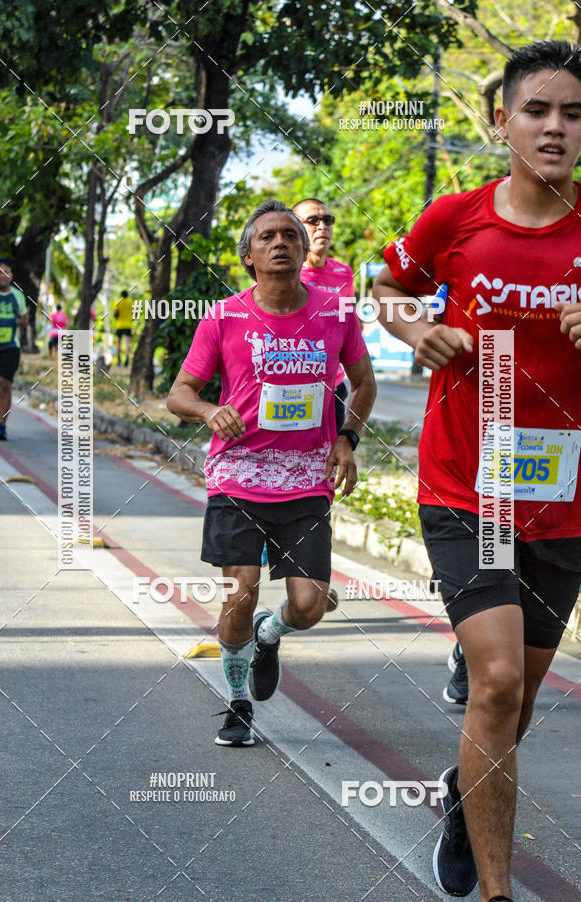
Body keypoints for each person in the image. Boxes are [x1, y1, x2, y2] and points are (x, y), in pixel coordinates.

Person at [374, 40, 581, 902]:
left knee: (514, 704)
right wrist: (412, 327)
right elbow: (386, 287)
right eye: (537, 110)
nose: (555, 127)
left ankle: (466, 800)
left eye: (572, 113)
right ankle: (496, 894)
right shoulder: (453, 218)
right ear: (501, 121)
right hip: (468, 489)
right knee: (495, 680)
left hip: (569, 501)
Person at [167, 200, 376, 747]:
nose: (281, 242)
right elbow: (178, 395)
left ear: (305, 251)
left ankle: (271, 634)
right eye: (267, 237)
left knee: (308, 607)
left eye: (290, 235)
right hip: (238, 476)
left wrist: (347, 439)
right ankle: (237, 701)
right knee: (240, 594)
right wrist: (209, 411)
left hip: (307, 481)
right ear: (249, 256)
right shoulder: (224, 316)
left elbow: (364, 384)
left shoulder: (336, 312)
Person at [293, 198, 355, 433]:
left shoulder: (344, 273)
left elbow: (348, 325)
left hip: (333, 384)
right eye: (313, 220)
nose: (323, 226)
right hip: (291, 384)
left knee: (329, 459)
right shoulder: (282, 273)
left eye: (328, 220)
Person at [0, 258, 29, 440]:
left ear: (11, 276)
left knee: (5, 384)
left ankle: (2, 426)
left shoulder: (18, 296)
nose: (3, 276)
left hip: (10, 347)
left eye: (7, 272)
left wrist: (17, 320)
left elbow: (25, 319)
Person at [113, 290, 133, 366]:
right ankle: (127, 358)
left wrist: (117, 317)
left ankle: (119, 360)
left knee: (118, 343)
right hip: (128, 325)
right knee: (127, 343)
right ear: (127, 295)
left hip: (119, 325)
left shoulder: (118, 302)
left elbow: (115, 313)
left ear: (121, 295)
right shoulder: (130, 303)